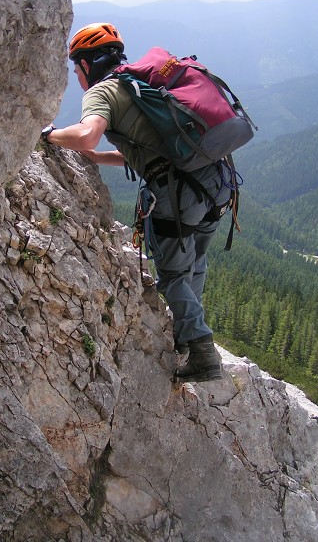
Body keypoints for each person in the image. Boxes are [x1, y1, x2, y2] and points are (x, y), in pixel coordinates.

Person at [41, 22, 233, 382]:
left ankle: (203, 355)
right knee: (194, 260)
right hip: (218, 181)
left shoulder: (103, 92)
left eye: (75, 68)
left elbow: (85, 135)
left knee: (174, 273)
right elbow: (157, 148)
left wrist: (50, 134)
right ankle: (185, 337)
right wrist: (101, 159)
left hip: (181, 194)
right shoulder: (142, 82)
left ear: (85, 65)